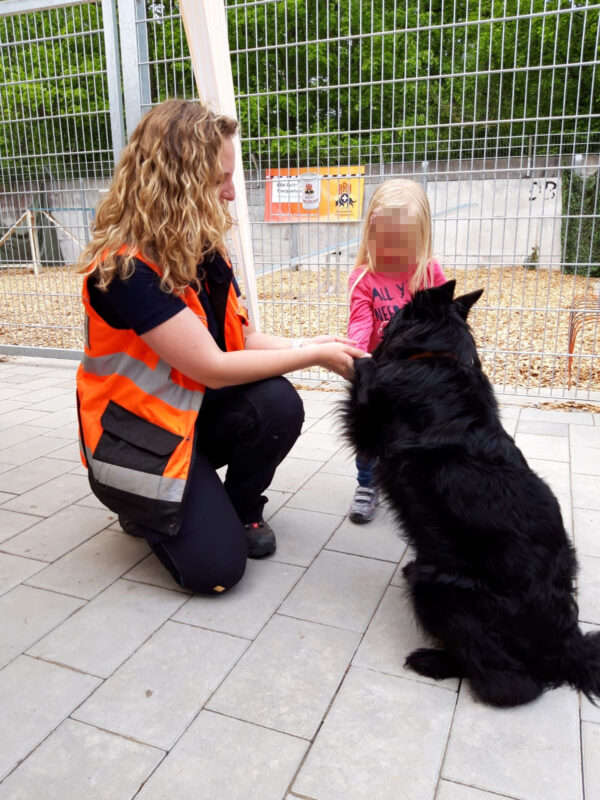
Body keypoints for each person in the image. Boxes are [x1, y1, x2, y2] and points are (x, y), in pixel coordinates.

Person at [76, 98, 365, 594]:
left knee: (277, 401)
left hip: (184, 422)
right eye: (219, 180)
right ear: (175, 183)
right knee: (216, 573)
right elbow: (211, 367)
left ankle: (238, 509)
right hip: (135, 442)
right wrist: (315, 357)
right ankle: (140, 505)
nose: (232, 194)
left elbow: (244, 339)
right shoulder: (125, 270)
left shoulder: (203, 249)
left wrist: (311, 342)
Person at [346, 178, 447, 523]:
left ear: (421, 236)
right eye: (388, 241)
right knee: (369, 432)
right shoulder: (364, 278)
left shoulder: (428, 271)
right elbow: (360, 325)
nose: (395, 251)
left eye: (404, 243)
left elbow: (441, 322)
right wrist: (357, 357)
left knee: (417, 433)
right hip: (381, 372)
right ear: (373, 233)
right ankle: (366, 484)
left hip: (419, 374)